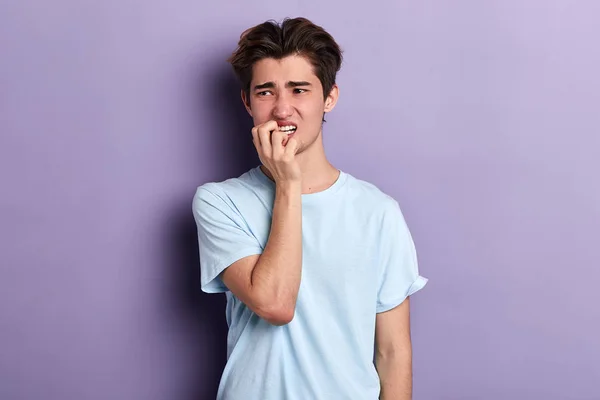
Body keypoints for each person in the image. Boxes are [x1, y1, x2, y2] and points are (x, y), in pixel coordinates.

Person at [192, 16, 427, 400]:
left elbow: (393, 353)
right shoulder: (220, 202)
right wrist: (288, 182)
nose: (283, 109)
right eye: (266, 92)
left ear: (329, 97)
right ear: (247, 102)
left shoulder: (378, 212)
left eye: (299, 89)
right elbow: (275, 303)